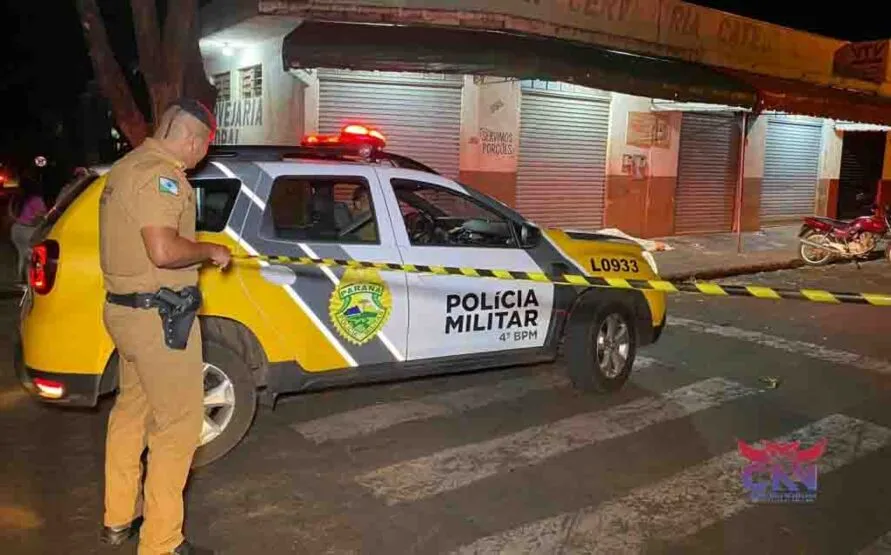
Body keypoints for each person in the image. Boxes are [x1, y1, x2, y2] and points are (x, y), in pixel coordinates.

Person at [98, 98, 231, 555]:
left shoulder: (124, 167)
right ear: (192, 138)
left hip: (125, 313)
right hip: (160, 318)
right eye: (204, 148)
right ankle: (160, 544)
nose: (201, 157)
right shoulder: (163, 175)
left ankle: (118, 518)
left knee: (131, 410)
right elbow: (163, 249)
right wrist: (209, 250)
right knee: (178, 425)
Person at [8, 173, 47, 284]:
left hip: (16, 229)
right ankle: (29, 282)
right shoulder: (36, 200)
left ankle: (20, 280)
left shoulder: (18, 198)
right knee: (31, 256)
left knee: (22, 254)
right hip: (28, 230)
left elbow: (11, 214)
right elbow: (40, 217)